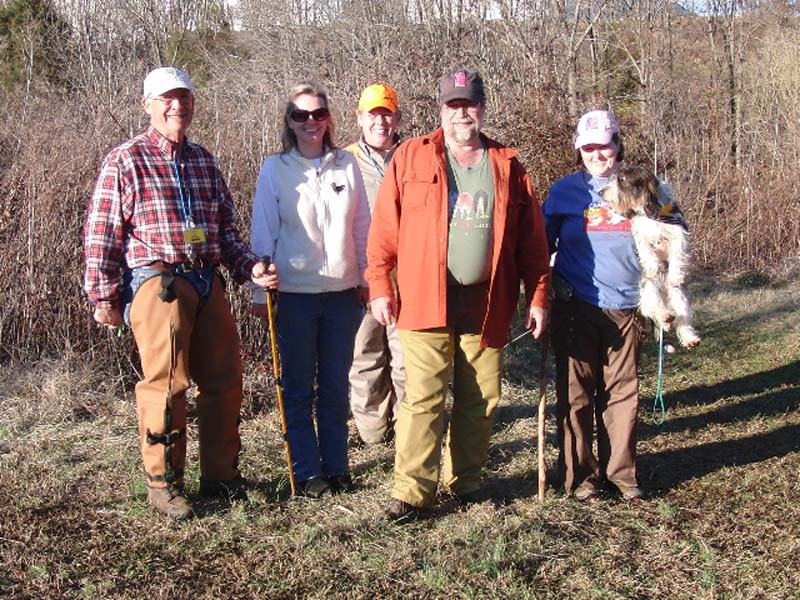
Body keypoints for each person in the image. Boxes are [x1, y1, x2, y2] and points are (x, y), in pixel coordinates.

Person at [83, 66, 277, 520]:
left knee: (225, 378)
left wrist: (251, 266)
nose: (177, 106)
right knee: (167, 383)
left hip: (207, 280)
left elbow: (225, 233)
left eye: (184, 97)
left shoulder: (204, 161)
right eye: (167, 98)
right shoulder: (125, 160)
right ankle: (164, 482)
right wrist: (104, 298)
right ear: (147, 105)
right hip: (158, 283)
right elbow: (101, 234)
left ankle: (222, 475)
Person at [366, 67, 551, 521]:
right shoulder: (410, 156)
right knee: (423, 398)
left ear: (482, 109)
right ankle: (412, 492)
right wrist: (380, 284)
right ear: (440, 109)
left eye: (469, 105)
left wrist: (538, 296)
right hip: (423, 298)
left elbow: (532, 242)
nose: (461, 114)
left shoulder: (508, 164)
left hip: (486, 300)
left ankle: (466, 482)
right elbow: (384, 231)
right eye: (453, 105)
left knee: (481, 397)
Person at [250, 80, 370, 499]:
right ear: (289, 121)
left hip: (343, 294)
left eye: (318, 113)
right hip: (294, 295)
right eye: (301, 115)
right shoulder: (275, 169)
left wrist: (367, 279)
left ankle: (337, 466)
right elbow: (263, 232)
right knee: (298, 387)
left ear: (329, 118)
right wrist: (259, 289)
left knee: (335, 385)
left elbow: (362, 227)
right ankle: (307, 470)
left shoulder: (347, 164)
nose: (310, 122)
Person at [543, 109, 645, 502]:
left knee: (622, 393)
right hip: (577, 305)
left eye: (604, 146)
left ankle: (622, 476)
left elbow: (674, 228)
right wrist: (544, 285)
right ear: (579, 150)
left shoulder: (642, 186)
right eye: (588, 148)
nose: (597, 154)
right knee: (576, 394)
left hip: (628, 307)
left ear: (618, 144)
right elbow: (540, 244)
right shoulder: (565, 192)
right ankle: (581, 477)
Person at [345, 83, 406, 446]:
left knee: (407, 359)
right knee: (365, 355)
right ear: (360, 118)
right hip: (362, 278)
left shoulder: (413, 156)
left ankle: (407, 428)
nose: (380, 122)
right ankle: (372, 432)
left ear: (397, 118)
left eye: (387, 114)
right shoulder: (343, 161)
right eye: (373, 115)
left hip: (407, 278)